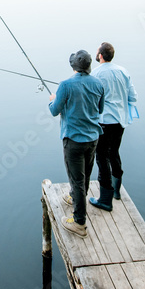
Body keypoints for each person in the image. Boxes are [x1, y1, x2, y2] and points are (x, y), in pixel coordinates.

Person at [48, 50, 104, 238]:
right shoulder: (98, 83)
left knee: (77, 180)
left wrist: (52, 100)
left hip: (73, 140)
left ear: (73, 67)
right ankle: (74, 197)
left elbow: (54, 111)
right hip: (93, 138)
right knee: (86, 175)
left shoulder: (65, 85)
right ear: (89, 65)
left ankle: (79, 222)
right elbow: (100, 108)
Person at [88, 42, 138, 212]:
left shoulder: (95, 74)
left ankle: (105, 199)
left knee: (101, 157)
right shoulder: (123, 71)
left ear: (100, 55)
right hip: (120, 121)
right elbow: (133, 97)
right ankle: (117, 191)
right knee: (114, 153)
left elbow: (91, 99)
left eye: (97, 52)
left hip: (103, 122)